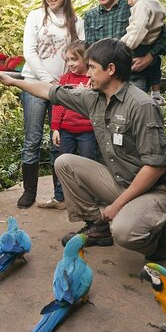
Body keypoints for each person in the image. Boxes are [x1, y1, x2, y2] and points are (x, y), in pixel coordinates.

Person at [0, 38, 166, 261]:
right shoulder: (94, 99)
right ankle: (97, 227)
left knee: (125, 232)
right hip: (120, 183)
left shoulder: (141, 106)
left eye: (91, 67)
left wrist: (115, 207)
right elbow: (49, 90)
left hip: (153, 190)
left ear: (110, 69)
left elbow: (154, 168)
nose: (87, 73)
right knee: (64, 162)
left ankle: (156, 239)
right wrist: (13, 82)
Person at [17, 0, 85, 209]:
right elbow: (30, 52)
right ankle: (29, 192)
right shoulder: (35, 16)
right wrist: (49, 81)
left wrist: (63, 83)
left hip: (63, 89)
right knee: (32, 138)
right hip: (36, 84)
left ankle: (61, 193)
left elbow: (80, 55)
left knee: (60, 140)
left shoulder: (77, 22)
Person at [83, 0, 166, 93]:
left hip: (134, 77)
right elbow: (90, 52)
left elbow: (164, 37)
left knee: (135, 112)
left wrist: (149, 57)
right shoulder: (90, 17)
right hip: (104, 82)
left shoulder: (135, 5)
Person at [38, 40, 97, 210]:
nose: (70, 63)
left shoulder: (92, 79)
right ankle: (60, 198)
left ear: (86, 59)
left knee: (88, 163)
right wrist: (55, 128)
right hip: (67, 131)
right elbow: (58, 104)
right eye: (68, 60)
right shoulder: (65, 80)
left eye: (74, 59)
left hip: (87, 131)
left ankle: (89, 198)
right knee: (61, 163)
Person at [119, 0, 166, 106]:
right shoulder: (156, 4)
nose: (129, 2)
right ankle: (156, 95)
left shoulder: (141, 5)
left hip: (138, 47)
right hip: (149, 45)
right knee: (156, 66)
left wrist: (124, 46)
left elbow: (137, 29)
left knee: (136, 104)